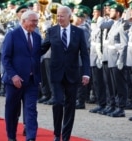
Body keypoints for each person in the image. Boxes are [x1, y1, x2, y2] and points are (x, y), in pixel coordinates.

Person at [41, 6, 90, 141]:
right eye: (58, 15)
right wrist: (27, 56)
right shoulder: (51, 31)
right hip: (56, 74)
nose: (59, 18)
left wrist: (86, 73)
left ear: (69, 16)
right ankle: (57, 133)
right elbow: (42, 49)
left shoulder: (78, 32)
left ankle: (66, 136)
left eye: (62, 15)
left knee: (70, 105)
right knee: (57, 102)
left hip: (72, 74)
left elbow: (85, 55)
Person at [1, 10, 41, 141]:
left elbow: (36, 56)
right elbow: (5, 58)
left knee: (31, 110)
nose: (35, 24)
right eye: (33, 21)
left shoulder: (37, 37)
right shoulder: (12, 35)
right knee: (12, 110)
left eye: (36, 21)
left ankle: (30, 138)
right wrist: (13, 76)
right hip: (15, 81)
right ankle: (11, 136)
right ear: (24, 21)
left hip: (31, 80)